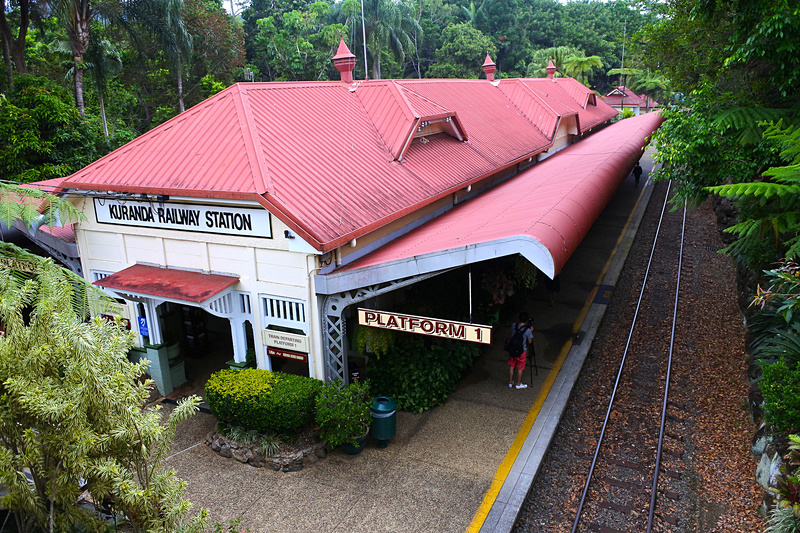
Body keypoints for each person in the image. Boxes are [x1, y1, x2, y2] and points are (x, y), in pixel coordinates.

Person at [508, 311, 534, 389]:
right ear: (527, 321)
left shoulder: (513, 325)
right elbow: (530, 342)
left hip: (512, 349)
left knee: (512, 366)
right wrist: (531, 331)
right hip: (522, 351)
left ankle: (510, 382)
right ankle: (518, 384)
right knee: (520, 368)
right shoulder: (528, 330)